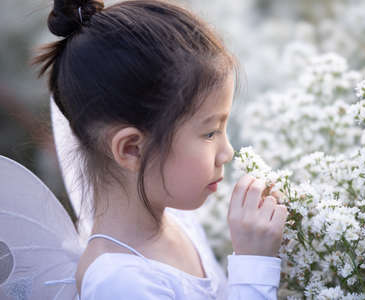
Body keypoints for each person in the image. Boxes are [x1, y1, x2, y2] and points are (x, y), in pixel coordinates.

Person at [32, 0, 288, 299]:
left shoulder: (177, 219)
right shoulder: (120, 283)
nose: (227, 152)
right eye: (210, 133)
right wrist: (253, 263)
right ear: (131, 149)